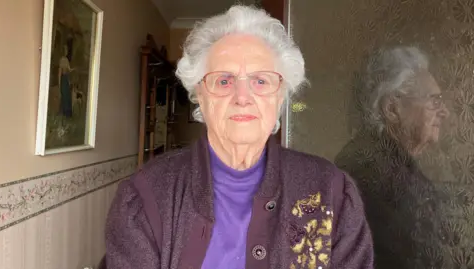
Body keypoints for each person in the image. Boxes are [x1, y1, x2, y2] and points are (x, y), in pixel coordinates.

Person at [104, 5, 373, 269]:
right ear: (200, 94)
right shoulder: (146, 197)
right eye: (223, 81)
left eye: (260, 81)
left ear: (280, 96)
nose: (242, 98)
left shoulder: (332, 192)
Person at [335, 46, 450, 268]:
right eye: (434, 100)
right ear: (392, 108)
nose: (444, 111)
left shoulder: (389, 163)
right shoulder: (368, 171)